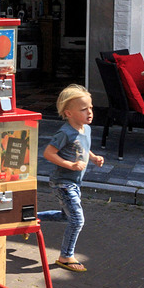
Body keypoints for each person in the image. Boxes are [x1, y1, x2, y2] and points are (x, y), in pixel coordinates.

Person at [36, 85, 105, 272]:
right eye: (83, 109)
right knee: (77, 219)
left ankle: (31, 219)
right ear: (69, 113)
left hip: (74, 182)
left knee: (65, 216)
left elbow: (82, 146)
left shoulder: (85, 129)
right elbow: (48, 153)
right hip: (63, 182)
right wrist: (71, 165)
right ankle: (66, 256)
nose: (89, 112)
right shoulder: (65, 132)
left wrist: (93, 157)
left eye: (90, 107)